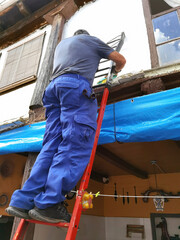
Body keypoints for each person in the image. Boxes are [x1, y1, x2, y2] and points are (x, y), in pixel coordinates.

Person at [6, 29, 126, 223]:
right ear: (85, 35)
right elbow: (120, 59)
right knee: (75, 142)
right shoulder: (91, 40)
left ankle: (23, 200)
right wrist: (116, 71)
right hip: (75, 87)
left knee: (50, 146)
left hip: (53, 90)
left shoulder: (62, 46)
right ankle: (49, 203)